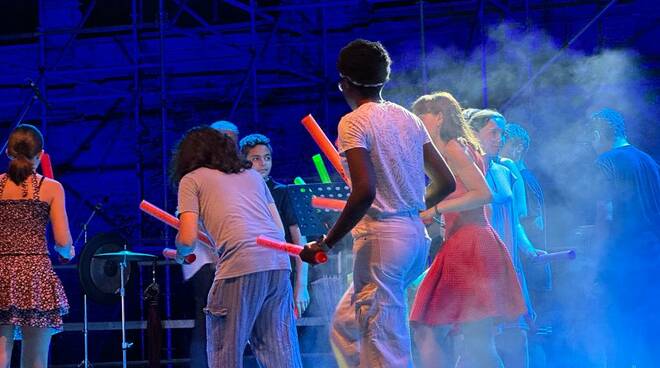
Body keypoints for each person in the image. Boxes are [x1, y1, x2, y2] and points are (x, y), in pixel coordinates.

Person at [300, 39, 456, 368]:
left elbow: (364, 191)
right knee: (346, 326)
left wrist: (327, 242)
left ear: (344, 82)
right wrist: (410, 207)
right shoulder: (408, 118)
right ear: (384, 78)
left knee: (385, 346)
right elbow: (447, 182)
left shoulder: (353, 122)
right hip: (413, 239)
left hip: (383, 242)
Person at [409, 92, 525, 368]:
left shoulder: (452, 148)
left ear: (438, 118)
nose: (416, 123)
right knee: (469, 339)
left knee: (467, 338)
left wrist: (436, 211)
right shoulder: (448, 150)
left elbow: (484, 194)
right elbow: (447, 194)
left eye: (420, 116)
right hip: (466, 243)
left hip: (470, 245)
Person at [171, 127, 301, 368]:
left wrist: (181, 255)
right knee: (280, 353)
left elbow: (187, 239)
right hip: (278, 263)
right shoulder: (251, 175)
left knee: (225, 353)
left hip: (240, 266)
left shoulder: (191, 180)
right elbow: (278, 229)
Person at [467, 109, 545, 368]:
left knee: (517, 338)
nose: (500, 138)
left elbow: (515, 221)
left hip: (510, 266)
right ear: (473, 134)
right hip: (481, 267)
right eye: (494, 133)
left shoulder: (507, 168)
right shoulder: (465, 172)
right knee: (480, 344)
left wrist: (529, 249)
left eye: (502, 133)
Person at [589, 108, 660, 367]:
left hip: (621, 263)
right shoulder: (649, 162)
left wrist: (596, 264)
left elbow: (605, 214)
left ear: (597, 134)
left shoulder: (606, 162)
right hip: (653, 259)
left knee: (617, 339)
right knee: (650, 339)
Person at [0, 124, 74, 368]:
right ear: (40, 155)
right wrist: (68, 252)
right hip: (35, 277)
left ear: (8, 153)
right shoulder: (51, 188)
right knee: (35, 361)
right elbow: (63, 243)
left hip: (1, 273)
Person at [181, 120, 240, 367]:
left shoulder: (238, 175)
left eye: (231, 139)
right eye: (222, 138)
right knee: (207, 321)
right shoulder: (197, 177)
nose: (227, 143)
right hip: (206, 262)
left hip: (233, 260)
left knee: (233, 322)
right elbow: (189, 227)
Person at [239, 133, 310, 316]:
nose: (263, 163)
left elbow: (298, 241)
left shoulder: (282, 192)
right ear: (244, 161)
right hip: (249, 271)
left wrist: (301, 286)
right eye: (256, 159)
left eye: (267, 158)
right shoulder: (238, 194)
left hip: (280, 272)